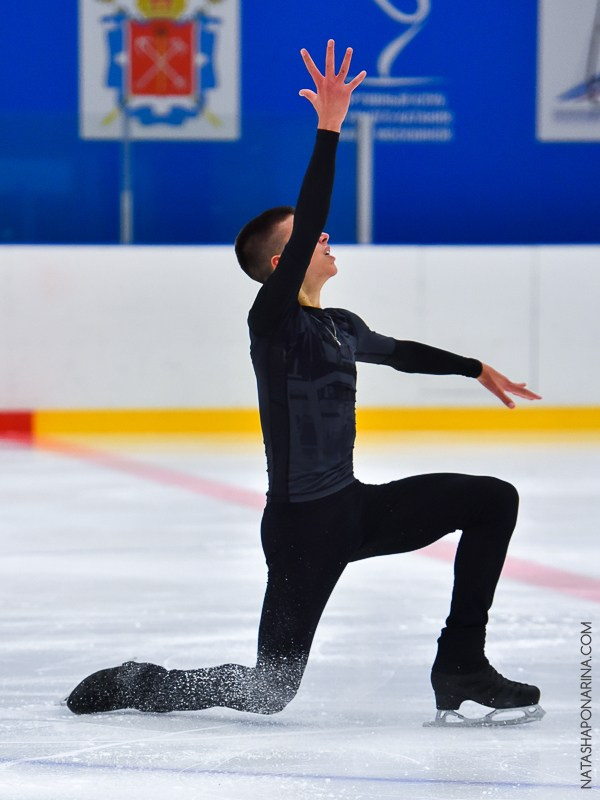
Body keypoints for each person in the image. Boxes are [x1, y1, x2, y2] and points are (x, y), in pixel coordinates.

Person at [66, 40, 544, 726]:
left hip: (353, 508)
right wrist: (330, 126)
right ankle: (140, 682)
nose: (325, 241)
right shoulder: (274, 322)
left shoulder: (342, 325)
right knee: (270, 690)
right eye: (309, 239)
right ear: (283, 260)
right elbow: (313, 213)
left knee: (492, 499)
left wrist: (473, 368)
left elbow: (400, 352)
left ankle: (461, 663)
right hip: (301, 530)